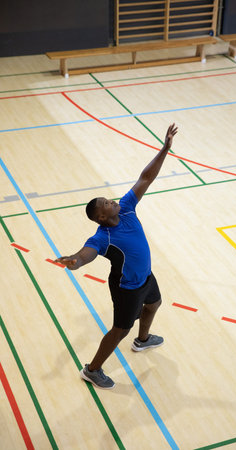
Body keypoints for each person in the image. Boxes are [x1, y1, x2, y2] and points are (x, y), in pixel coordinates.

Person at [55, 123, 178, 389]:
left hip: (145, 276)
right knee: (120, 330)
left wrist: (165, 149)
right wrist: (74, 261)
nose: (112, 202)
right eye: (107, 204)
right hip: (127, 287)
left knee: (154, 304)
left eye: (110, 200)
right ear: (101, 217)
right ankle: (92, 369)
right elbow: (85, 255)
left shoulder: (127, 208)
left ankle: (143, 340)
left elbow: (145, 178)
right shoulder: (102, 237)